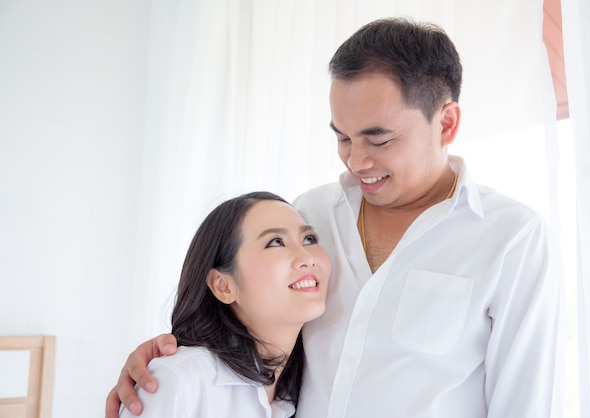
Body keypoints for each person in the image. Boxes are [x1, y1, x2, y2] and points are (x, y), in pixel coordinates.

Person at [106, 18, 566, 418]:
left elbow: (525, 402)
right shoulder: (312, 216)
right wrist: (166, 362)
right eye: (342, 137)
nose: (356, 160)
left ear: (446, 123)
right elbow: (249, 325)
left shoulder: (513, 239)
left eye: (378, 139)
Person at [116, 191, 330, 417]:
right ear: (223, 286)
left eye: (309, 239)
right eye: (276, 242)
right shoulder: (179, 382)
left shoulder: (297, 394)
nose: (307, 257)